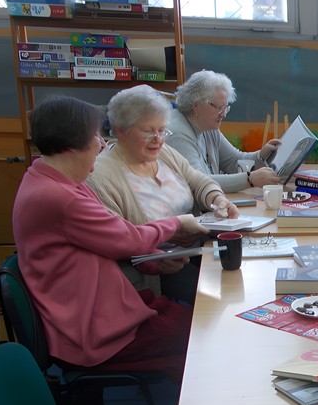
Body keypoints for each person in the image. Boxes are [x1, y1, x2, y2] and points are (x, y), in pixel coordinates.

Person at [12, 95, 209, 382]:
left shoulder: (50, 180)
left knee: (205, 326)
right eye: (95, 136)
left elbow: (108, 240)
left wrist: (153, 261)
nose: (101, 144)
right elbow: (128, 238)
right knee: (205, 341)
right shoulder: (59, 196)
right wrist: (177, 223)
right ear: (73, 144)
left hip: (108, 311)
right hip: (96, 333)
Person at [86, 84, 233, 302]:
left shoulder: (163, 153)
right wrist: (170, 235)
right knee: (223, 297)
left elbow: (197, 179)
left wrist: (217, 198)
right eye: (148, 131)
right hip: (158, 271)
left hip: (198, 250)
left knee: (239, 280)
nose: (158, 139)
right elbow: (119, 239)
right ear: (121, 131)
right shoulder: (100, 176)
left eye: (162, 130)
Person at [167, 69, 282, 193]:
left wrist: (261, 156)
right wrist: (249, 179)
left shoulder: (206, 124)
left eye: (225, 108)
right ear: (196, 105)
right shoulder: (178, 135)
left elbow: (233, 161)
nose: (223, 114)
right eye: (218, 108)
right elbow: (199, 182)